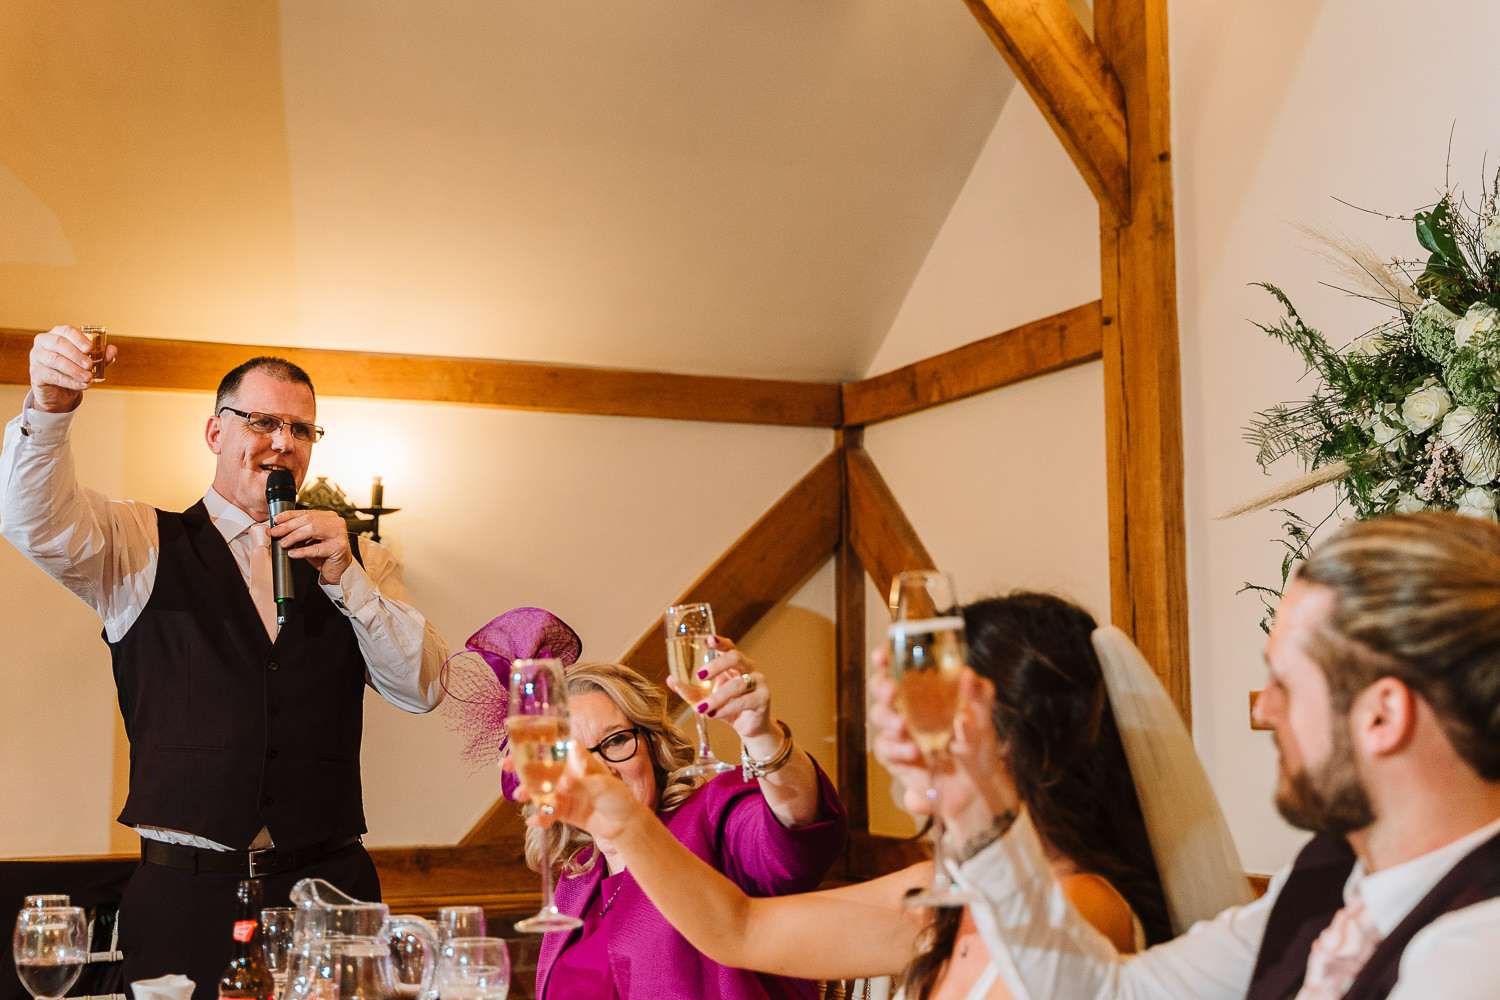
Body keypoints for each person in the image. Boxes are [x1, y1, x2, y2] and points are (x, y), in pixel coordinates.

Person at [0, 327, 450, 1000]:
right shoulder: (139, 542)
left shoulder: (359, 562)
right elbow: (31, 518)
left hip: (329, 893)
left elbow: (422, 687)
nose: (282, 442)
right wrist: (50, 405)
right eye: (262, 421)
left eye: (302, 429)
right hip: (184, 895)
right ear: (215, 433)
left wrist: (346, 576)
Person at [895, 512, 1500, 1000]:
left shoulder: (1475, 953)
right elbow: (1107, 992)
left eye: (1285, 684)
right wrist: (976, 803)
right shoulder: (1325, 878)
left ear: (1382, 717)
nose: (1264, 711)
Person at [540, 593, 1250, 1000]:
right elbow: (740, 931)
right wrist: (618, 819)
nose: (895, 729)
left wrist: (760, 737)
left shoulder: (1081, 909)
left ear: (1002, 737)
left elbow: (782, 849)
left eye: (926, 707)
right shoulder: (943, 893)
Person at [516, 648, 848, 1000]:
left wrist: (762, 736)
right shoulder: (577, 879)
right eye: (573, 755)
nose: (601, 770)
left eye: (616, 741)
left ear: (652, 745)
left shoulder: (710, 817)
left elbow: (797, 839)